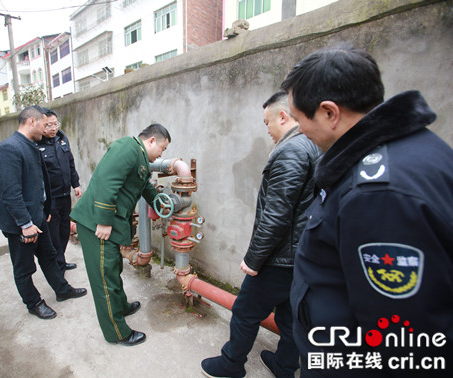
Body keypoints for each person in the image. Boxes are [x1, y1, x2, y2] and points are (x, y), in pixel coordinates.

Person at [281, 46, 453, 377]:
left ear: (330, 113)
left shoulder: (376, 194)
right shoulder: (414, 149)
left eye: (301, 119)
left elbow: (403, 342)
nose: (300, 130)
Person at [200, 92, 320, 377]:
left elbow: (277, 215)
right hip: (301, 254)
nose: (266, 128)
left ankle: (231, 364)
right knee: (291, 316)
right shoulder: (312, 145)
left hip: (279, 257)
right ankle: (284, 366)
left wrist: (254, 260)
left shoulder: (291, 150)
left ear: (283, 116)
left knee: (245, 311)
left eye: (267, 122)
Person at [70, 124, 171, 346]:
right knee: (105, 279)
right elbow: (108, 181)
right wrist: (104, 221)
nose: (162, 154)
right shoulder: (128, 147)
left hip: (108, 224)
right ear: (152, 140)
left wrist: (161, 203)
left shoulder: (140, 157)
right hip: (97, 224)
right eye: (162, 148)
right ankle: (117, 332)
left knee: (113, 268)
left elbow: (144, 186)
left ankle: (121, 306)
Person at [0, 105, 87, 320]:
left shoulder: (31, 145)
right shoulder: (9, 149)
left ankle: (62, 290)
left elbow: (39, 184)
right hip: (20, 223)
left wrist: (44, 211)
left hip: (37, 217)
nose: (47, 128)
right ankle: (33, 303)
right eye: (44, 123)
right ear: (32, 122)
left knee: (49, 256)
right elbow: (10, 193)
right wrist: (25, 224)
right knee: (24, 267)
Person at [38, 109, 82, 273]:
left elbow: (70, 163)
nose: (53, 128)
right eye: (48, 125)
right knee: (54, 235)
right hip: (51, 199)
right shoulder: (37, 144)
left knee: (64, 232)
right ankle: (57, 267)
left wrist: (75, 184)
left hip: (65, 196)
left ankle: (61, 260)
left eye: (55, 124)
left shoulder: (61, 140)